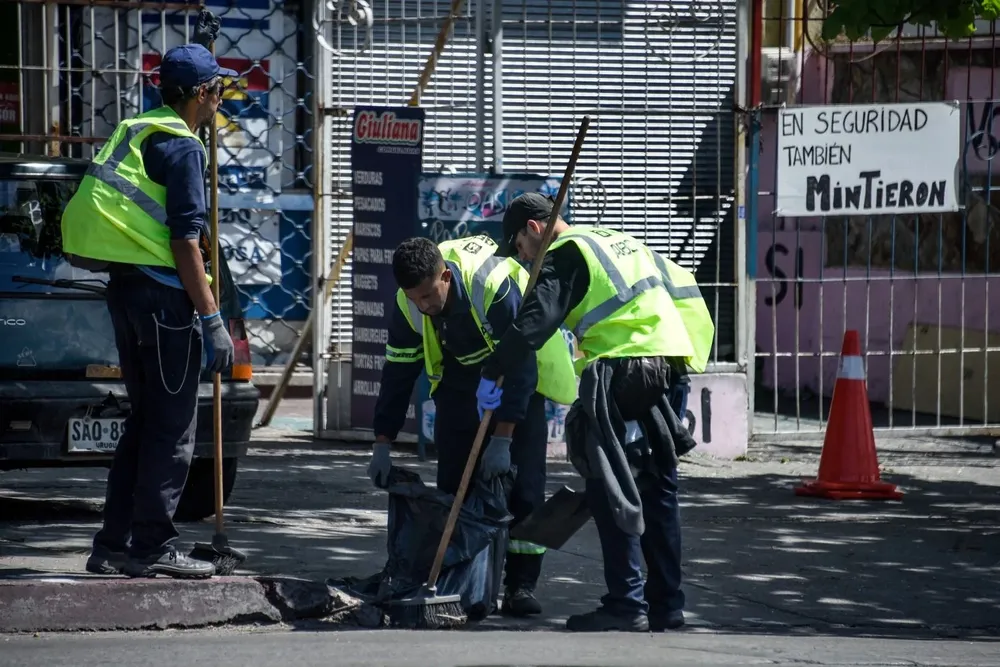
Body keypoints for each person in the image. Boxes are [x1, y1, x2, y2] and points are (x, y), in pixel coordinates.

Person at [478, 193, 715, 633]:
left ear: (534, 229)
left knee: (611, 487)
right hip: (668, 368)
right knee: (658, 491)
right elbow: (684, 287)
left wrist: (493, 370)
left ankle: (626, 604)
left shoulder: (567, 252)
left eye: (520, 248)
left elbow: (534, 324)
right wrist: (683, 356)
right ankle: (667, 604)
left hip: (623, 375)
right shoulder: (618, 241)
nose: (524, 259)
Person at [61, 38, 237, 579]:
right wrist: (211, 318)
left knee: (145, 424)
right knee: (172, 428)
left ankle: (113, 544)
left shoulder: (137, 130)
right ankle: (152, 545)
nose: (219, 101)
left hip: (127, 291)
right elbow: (185, 242)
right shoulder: (183, 148)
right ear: (202, 94)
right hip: (165, 303)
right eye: (217, 91)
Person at [367, 235, 577, 617]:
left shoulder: (493, 287)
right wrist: (382, 441)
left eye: (429, 295)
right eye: (415, 298)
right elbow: (398, 371)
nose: (424, 306)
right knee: (454, 488)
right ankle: (464, 584)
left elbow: (520, 365)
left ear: (445, 276)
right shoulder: (407, 303)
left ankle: (520, 586)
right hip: (459, 384)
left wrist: (502, 439)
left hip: (518, 380)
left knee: (525, 489)